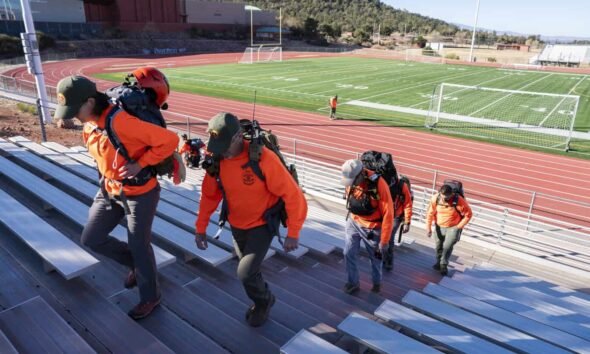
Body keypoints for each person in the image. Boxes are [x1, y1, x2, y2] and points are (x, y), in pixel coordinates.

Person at [54, 75, 179, 319]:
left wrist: (140, 164)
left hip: (140, 194)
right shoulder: (90, 124)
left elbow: (170, 140)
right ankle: (139, 266)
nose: (72, 115)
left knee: (139, 245)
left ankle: (150, 296)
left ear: (90, 102)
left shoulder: (121, 121)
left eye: (74, 109)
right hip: (110, 191)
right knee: (92, 238)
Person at [195, 112, 307, 327]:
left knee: (245, 273)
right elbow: (210, 195)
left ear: (238, 137)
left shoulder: (262, 159)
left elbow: (293, 195)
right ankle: (263, 295)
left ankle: (264, 302)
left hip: (262, 225)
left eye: (225, 146)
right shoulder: (217, 158)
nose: (222, 153)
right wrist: (200, 228)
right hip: (236, 224)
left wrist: (293, 232)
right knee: (247, 269)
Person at [341, 159, 393, 294]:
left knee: (375, 259)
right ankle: (353, 283)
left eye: (353, 180)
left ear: (360, 175)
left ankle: (377, 283)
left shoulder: (379, 185)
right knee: (348, 253)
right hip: (353, 222)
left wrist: (385, 240)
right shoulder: (350, 179)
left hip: (373, 228)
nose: (350, 184)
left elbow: (388, 213)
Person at [425, 184, 473, 276]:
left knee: (447, 247)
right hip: (439, 226)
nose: (445, 200)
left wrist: (459, 227)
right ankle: (438, 262)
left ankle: (443, 265)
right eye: (443, 198)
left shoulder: (459, 201)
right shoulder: (435, 199)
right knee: (438, 246)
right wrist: (428, 228)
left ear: (451, 194)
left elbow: (468, 214)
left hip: (453, 227)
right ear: (440, 194)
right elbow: (430, 213)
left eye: (447, 198)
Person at [383, 179, 412, 271]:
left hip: (396, 217)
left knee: (390, 237)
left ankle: (389, 260)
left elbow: (408, 206)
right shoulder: (388, 185)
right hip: (385, 215)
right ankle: (383, 256)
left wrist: (407, 222)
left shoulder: (406, 194)